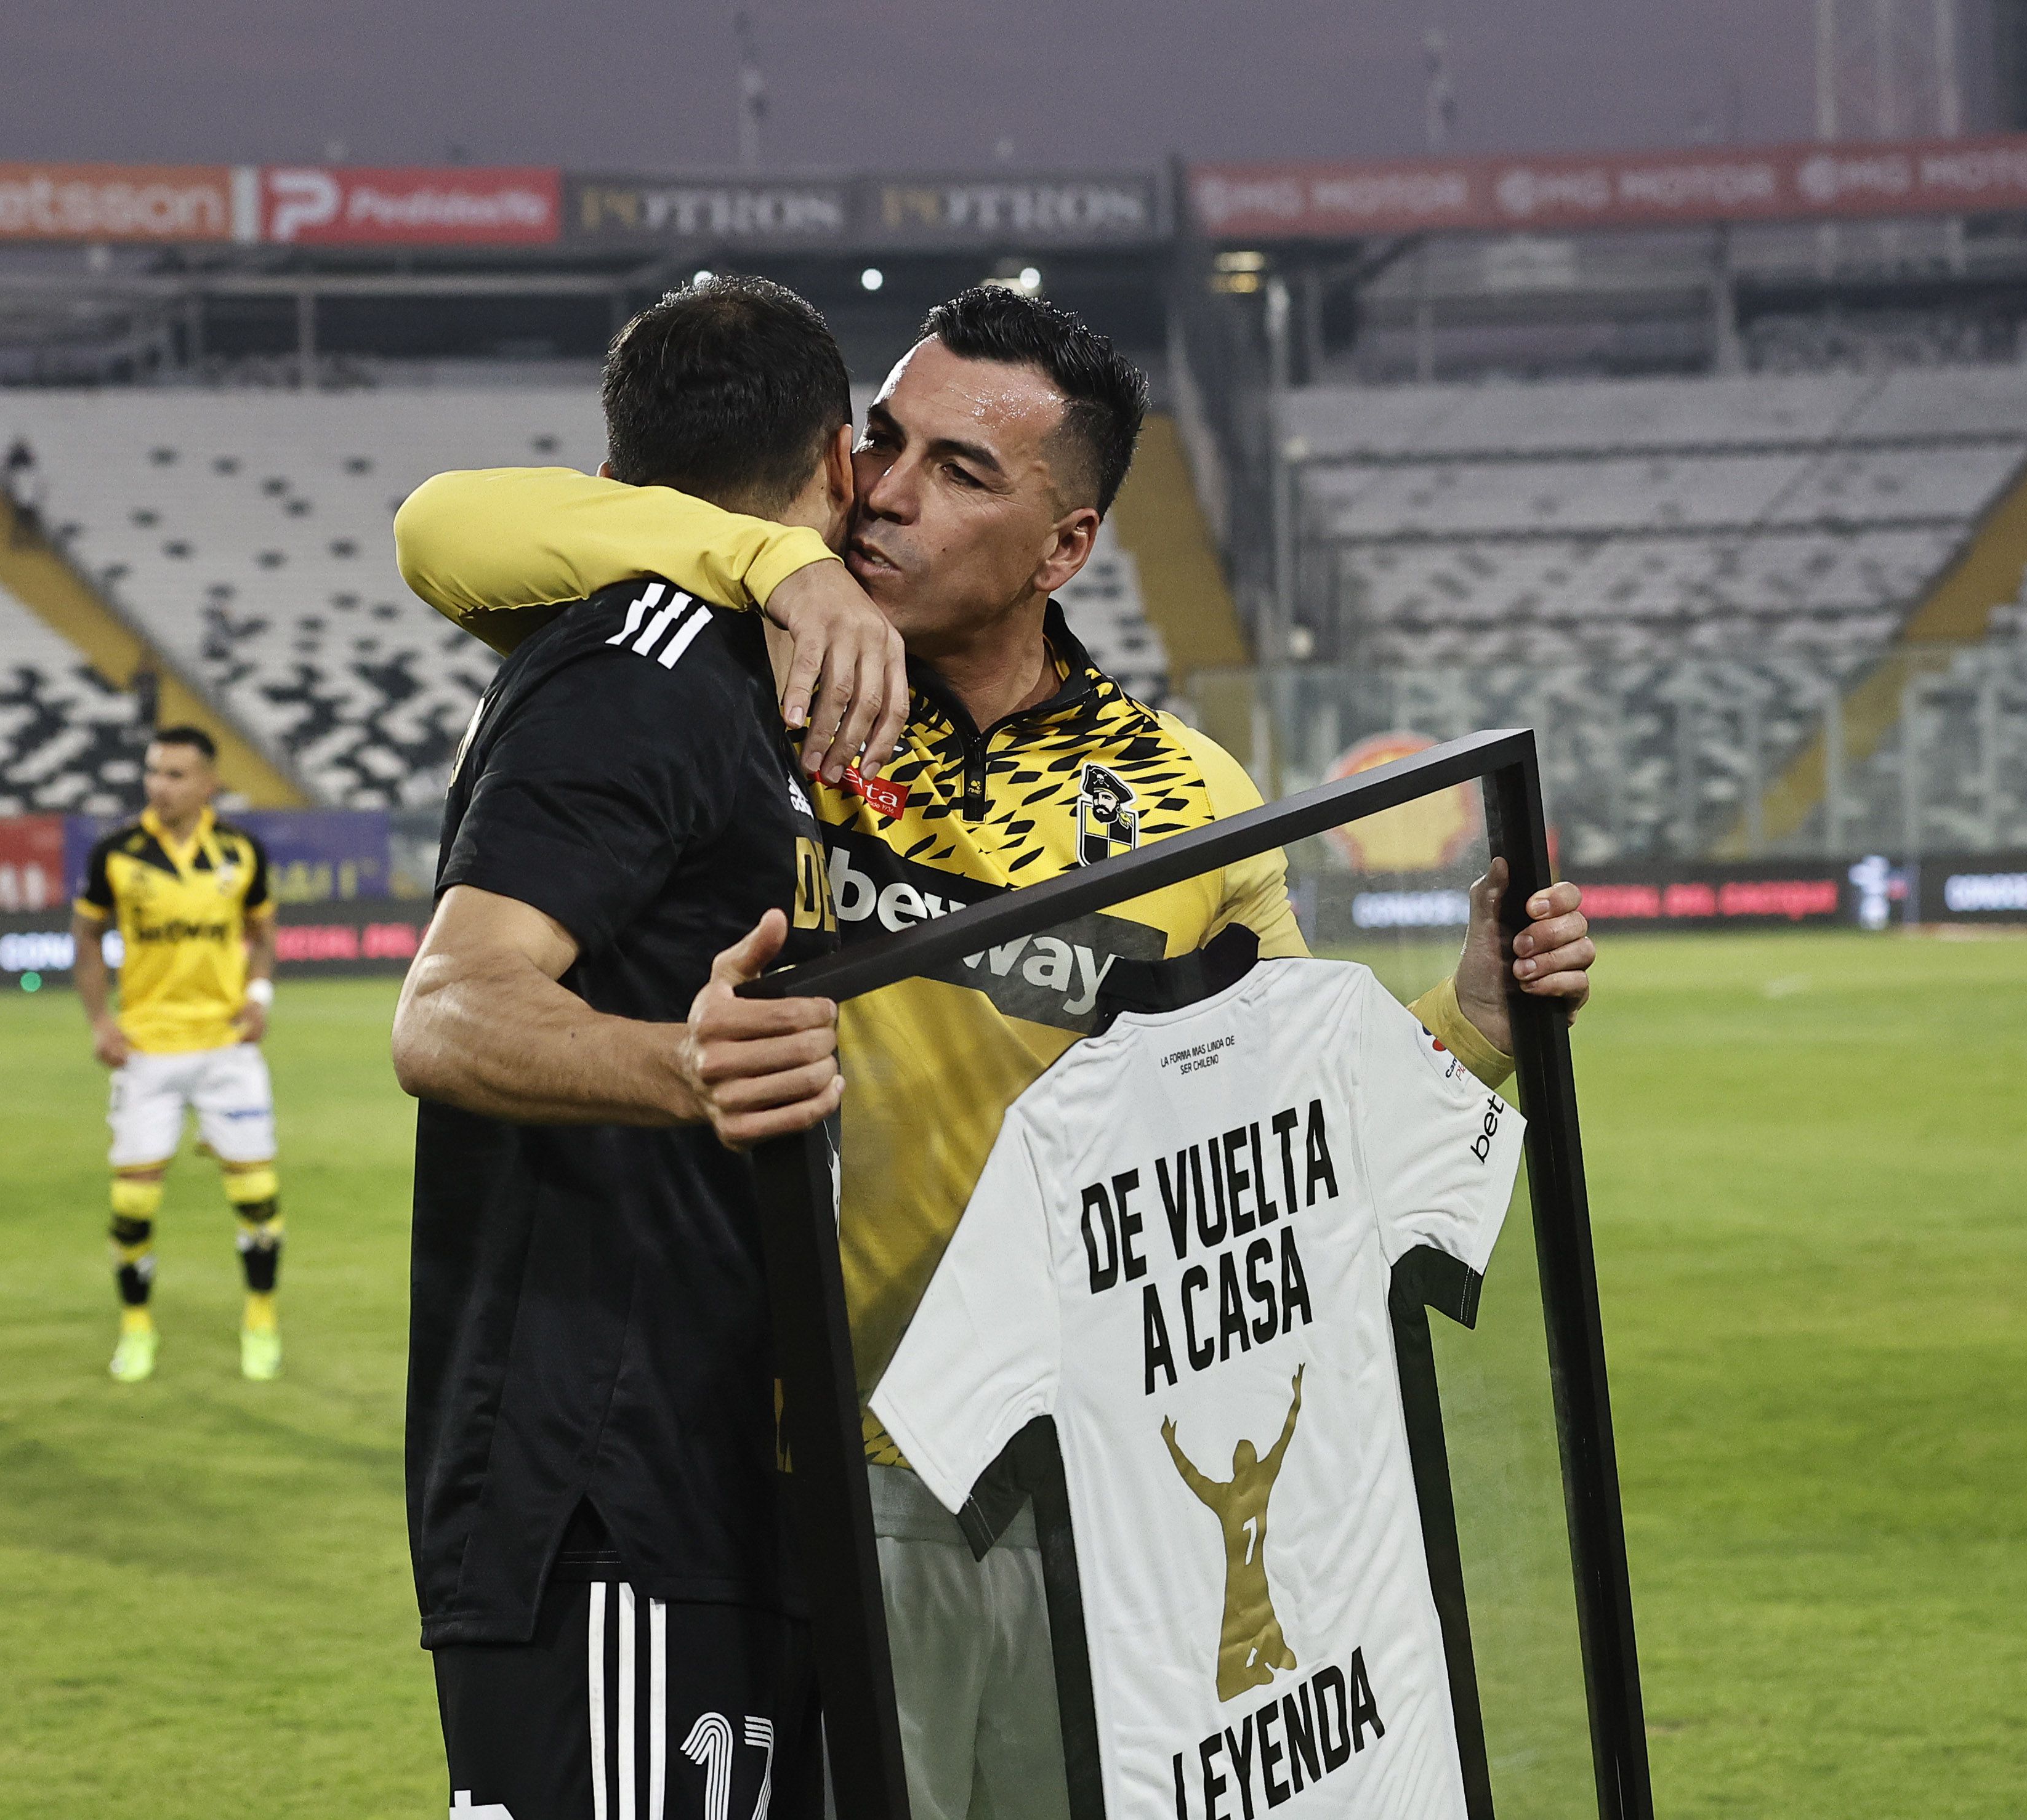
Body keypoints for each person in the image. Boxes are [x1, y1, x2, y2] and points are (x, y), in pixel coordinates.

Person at [395, 284, 1595, 1819]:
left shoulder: (1184, 795)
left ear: (1067, 545)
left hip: (1090, 1495)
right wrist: (767, 557)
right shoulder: (750, 677)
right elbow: (445, 530)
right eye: (883, 443)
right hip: (798, 1479)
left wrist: (1476, 1025)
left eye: (962, 471)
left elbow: (1289, 1137)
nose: (886, 492)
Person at [389, 276, 866, 1820]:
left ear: (606, 491)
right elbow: (451, 1006)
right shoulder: (640, 666)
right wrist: (688, 1068)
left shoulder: (744, 677)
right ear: (840, 464)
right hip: (601, 1480)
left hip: (714, 1462)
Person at [70, 726, 281, 1383]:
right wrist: (100, 1019)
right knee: (133, 1201)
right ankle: (136, 1330)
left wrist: (259, 995)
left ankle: (261, 1320)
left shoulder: (241, 851)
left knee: (257, 1195)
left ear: (208, 783)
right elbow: (84, 934)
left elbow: (263, 931)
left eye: (175, 774)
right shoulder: (117, 852)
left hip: (226, 1047)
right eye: (154, 772)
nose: (159, 785)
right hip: (147, 1049)